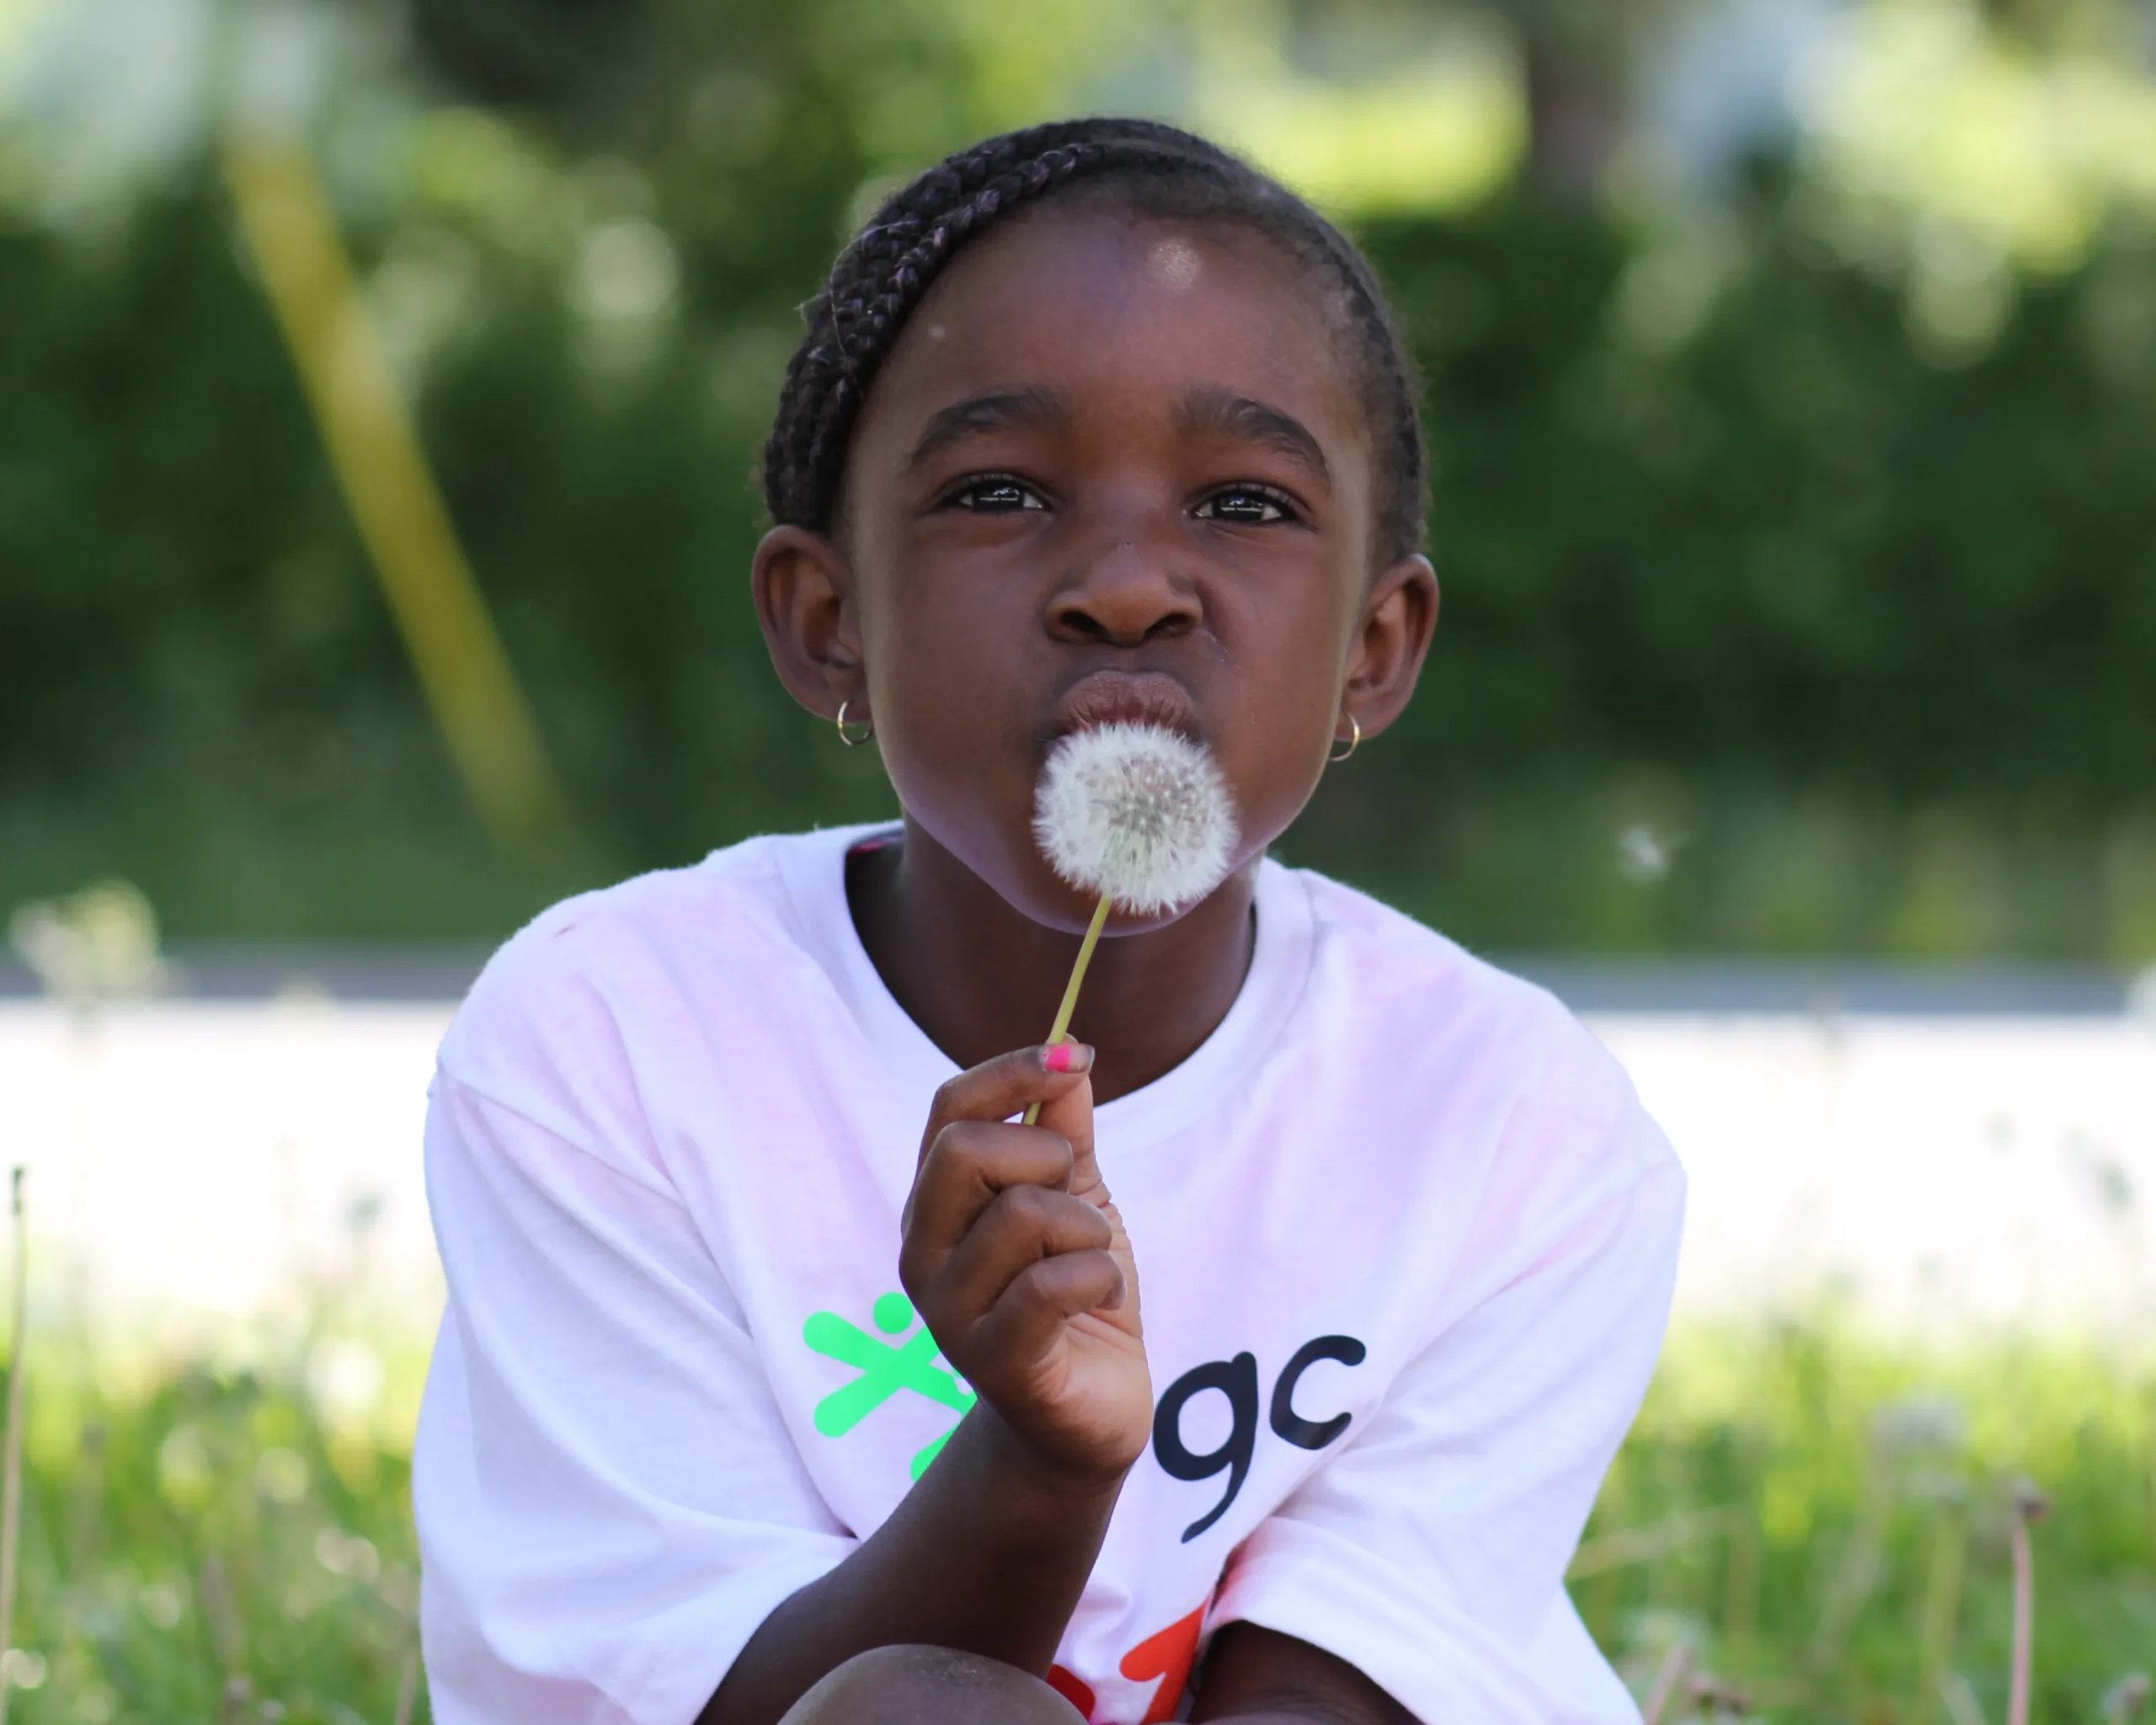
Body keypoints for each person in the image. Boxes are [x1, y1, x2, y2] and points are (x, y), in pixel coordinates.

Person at [414, 118, 1686, 1725]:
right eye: (1000, 490)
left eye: (1244, 504)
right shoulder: (615, 1042)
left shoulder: (1509, 1125)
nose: (1129, 582)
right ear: (827, 625)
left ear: (1376, 646)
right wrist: (1037, 1455)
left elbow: (1333, 1700)